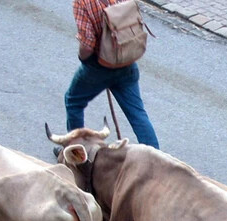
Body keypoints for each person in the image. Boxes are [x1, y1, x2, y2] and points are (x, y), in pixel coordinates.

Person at [64, 0, 160, 149]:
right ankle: (155, 159)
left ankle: (76, 152)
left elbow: (87, 46)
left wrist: (84, 59)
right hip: (126, 60)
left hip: (99, 66)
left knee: (73, 102)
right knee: (137, 114)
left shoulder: (82, 3)